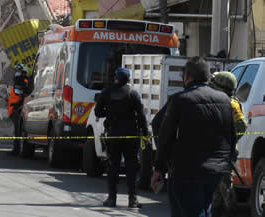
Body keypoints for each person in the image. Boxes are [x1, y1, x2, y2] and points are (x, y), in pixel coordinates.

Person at [153, 57, 236, 217]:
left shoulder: (180, 100)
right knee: (204, 210)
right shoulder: (225, 100)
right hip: (216, 171)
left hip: (187, 170)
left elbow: (164, 135)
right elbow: (231, 136)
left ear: (188, 77)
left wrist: (160, 168)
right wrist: (225, 163)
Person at [94, 67, 148, 209]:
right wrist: (145, 132)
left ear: (116, 78)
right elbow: (141, 115)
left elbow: (98, 112)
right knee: (131, 167)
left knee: (113, 166)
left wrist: (110, 113)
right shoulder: (133, 94)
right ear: (128, 80)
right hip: (131, 135)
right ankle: (133, 200)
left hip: (114, 134)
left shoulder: (106, 92)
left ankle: (112, 199)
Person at [209, 71, 247, 215]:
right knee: (215, 190)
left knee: (225, 190)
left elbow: (242, 126)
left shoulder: (232, 104)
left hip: (223, 153)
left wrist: (225, 141)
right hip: (214, 152)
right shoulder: (217, 100)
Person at [7, 63, 30, 156]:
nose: (16, 73)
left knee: (18, 131)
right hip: (14, 109)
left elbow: (23, 95)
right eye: (16, 71)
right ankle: (16, 149)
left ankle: (16, 150)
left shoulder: (22, 82)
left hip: (17, 109)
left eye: (18, 71)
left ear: (23, 72)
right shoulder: (18, 81)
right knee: (17, 130)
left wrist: (18, 106)